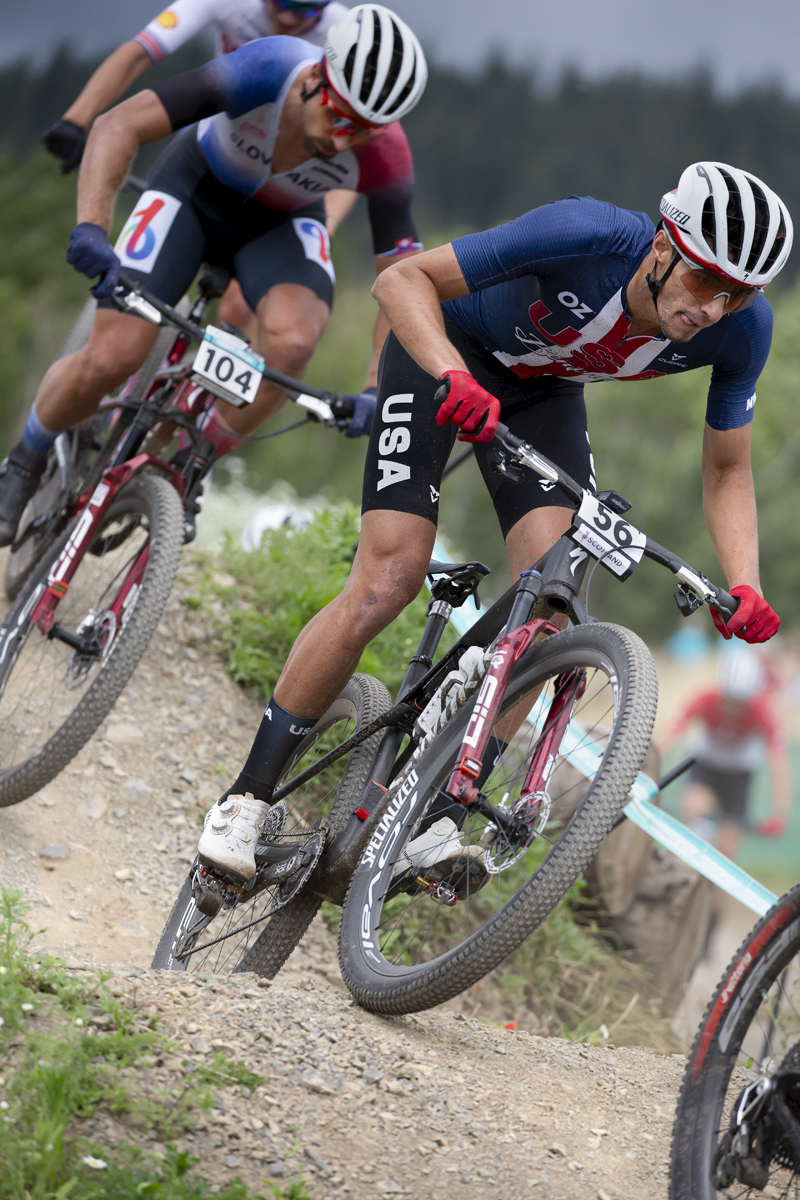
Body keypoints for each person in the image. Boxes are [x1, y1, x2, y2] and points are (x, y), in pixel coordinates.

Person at [195, 160, 794, 884]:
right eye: (705, 281)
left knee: (554, 605)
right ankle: (245, 801)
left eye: (739, 293)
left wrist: (745, 582)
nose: (714, 308)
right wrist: (452, 374)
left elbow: (728, 467)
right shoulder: (584, 233)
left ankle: (441, 815)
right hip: (444, 348)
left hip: (543, 394)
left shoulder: (741, 331)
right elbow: (401, 282)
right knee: (389, 578)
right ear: (664, 245)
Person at [0, 5, 427, 547]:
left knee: (294, 343)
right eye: (341, 119)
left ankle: (192, 461)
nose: (344, 142)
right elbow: (120, 125)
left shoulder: (388, 155)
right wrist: (91, 228)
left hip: (282, 224)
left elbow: (402, 286)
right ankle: (26, 456)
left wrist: (376, 387)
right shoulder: (266, 68)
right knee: (113, 357)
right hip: (195, 191)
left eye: (363, 131)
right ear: (319, 78)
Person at [41, 0, 356, 340]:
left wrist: (325, 229)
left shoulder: (342, 32)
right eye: (281, 1)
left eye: (308, 11)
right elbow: (140, 51)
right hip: (213, 137)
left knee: (244, 310)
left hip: (285, 172)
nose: (288, 16)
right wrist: (77, 120)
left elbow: (351, 158)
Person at [669, 650, 790, 861]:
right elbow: (670, 735)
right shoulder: (705, 697)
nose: (733, 708)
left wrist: (779, 813)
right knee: (697, 808)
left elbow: (778, 761)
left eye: (740, 702)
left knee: (727, 851)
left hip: (739, 773)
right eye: (729, 700)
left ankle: (714, 890)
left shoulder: (762, 709)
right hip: (704, 763)